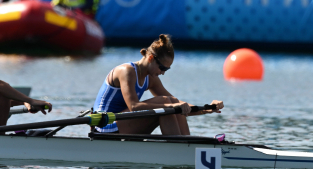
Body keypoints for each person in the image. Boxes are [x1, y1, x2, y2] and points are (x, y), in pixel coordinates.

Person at [92, 34, 223, 135]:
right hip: (104, 124)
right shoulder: (127, 71)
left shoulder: (151, 78)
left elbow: (178, 104)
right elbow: (134, 106)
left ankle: (186, 145)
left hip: (123, 122)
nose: (163, 73)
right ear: (150, 58)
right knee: (166, 104)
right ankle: (180, 149)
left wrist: (207, 109)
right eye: (162, 68)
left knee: (170, 101)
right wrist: (172, 105)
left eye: (167, 69)